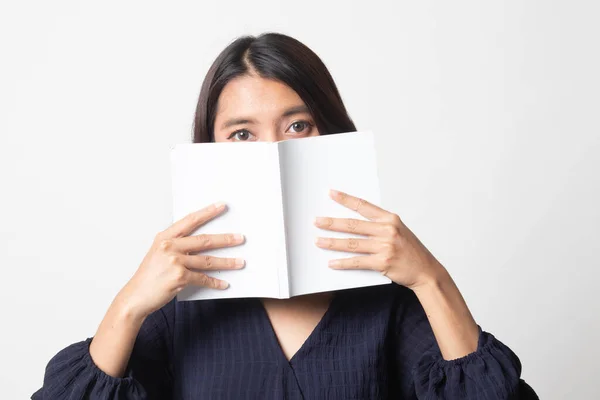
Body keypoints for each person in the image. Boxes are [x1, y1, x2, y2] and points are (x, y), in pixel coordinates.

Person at [32, 32, 538, 399]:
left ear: (333, 135)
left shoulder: (389, 312)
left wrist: (431, 278)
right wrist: (129, 305)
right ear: (211, 151)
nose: (273, 154)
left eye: (298, 126)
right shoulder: (179, 313)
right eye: (243, 134)